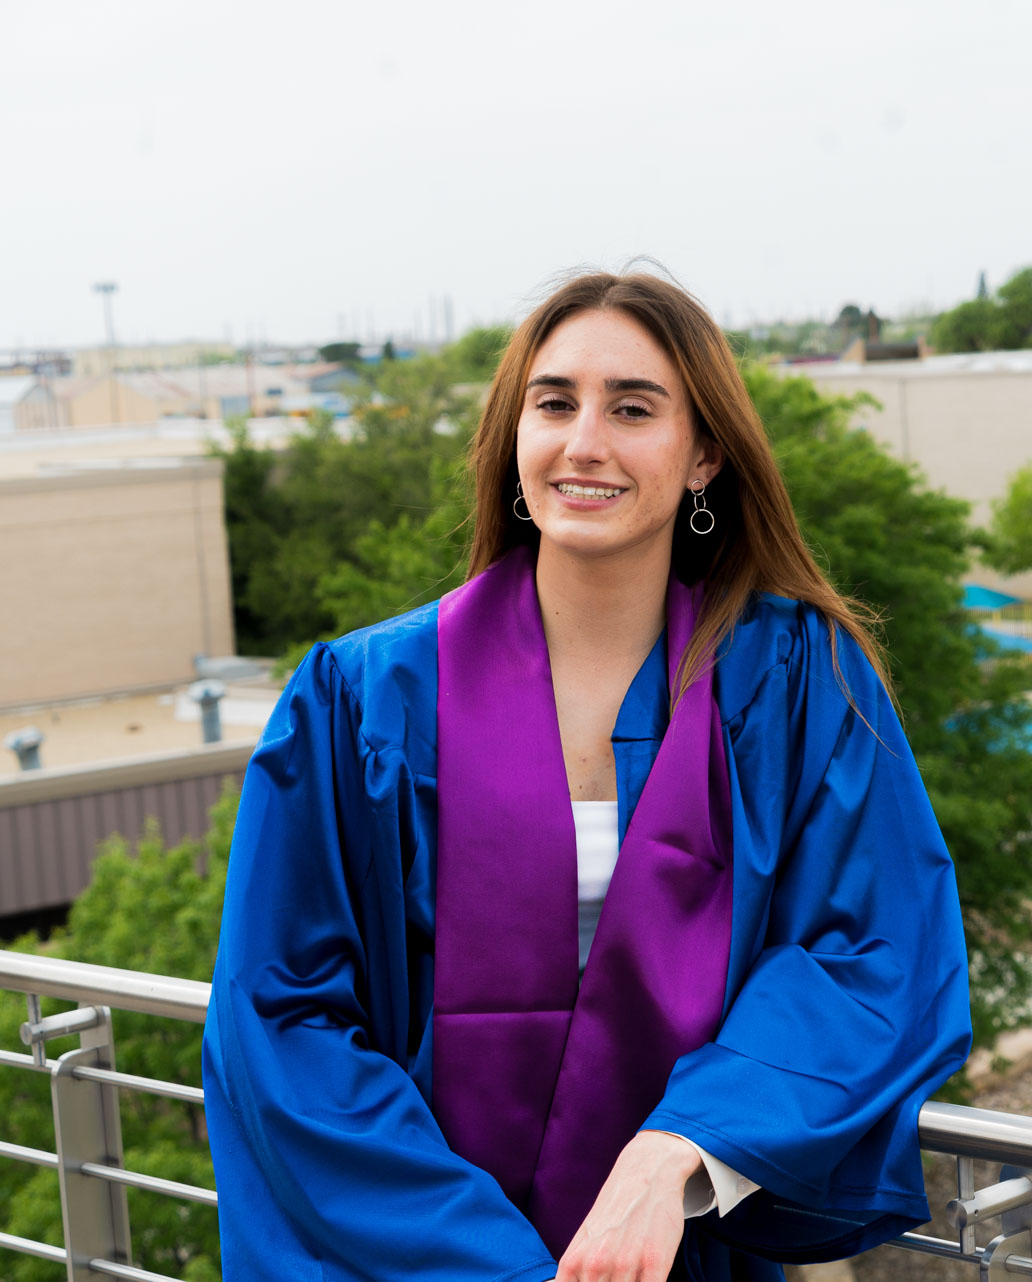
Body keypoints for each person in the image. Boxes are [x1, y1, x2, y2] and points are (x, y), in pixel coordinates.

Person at [202, 272, 972, 1282]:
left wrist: (681, 1149)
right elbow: (283, 1017)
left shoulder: (791, 683)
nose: (585, 443)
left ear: (704, 453)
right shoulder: (364, 699)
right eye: (554, 402)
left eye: (634, 408)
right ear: (513, 437)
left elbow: (871, 950)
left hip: (680, 1250)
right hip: (422, 1262)